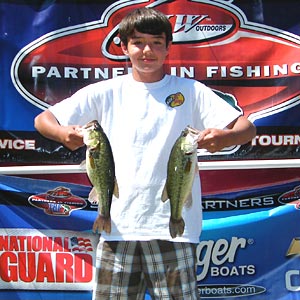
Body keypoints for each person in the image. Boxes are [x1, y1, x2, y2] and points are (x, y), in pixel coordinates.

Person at [34, 7, 256, 300]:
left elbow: (246, 128)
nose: (146, 50)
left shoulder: (191, 91)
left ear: (168, 48)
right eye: (138, 42)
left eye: (156, 42)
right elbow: (43, 121)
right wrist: (65, 134)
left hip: (173, 229)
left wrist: (227, 136)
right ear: (124, 47)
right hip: (117, 228)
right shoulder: (104, 92)